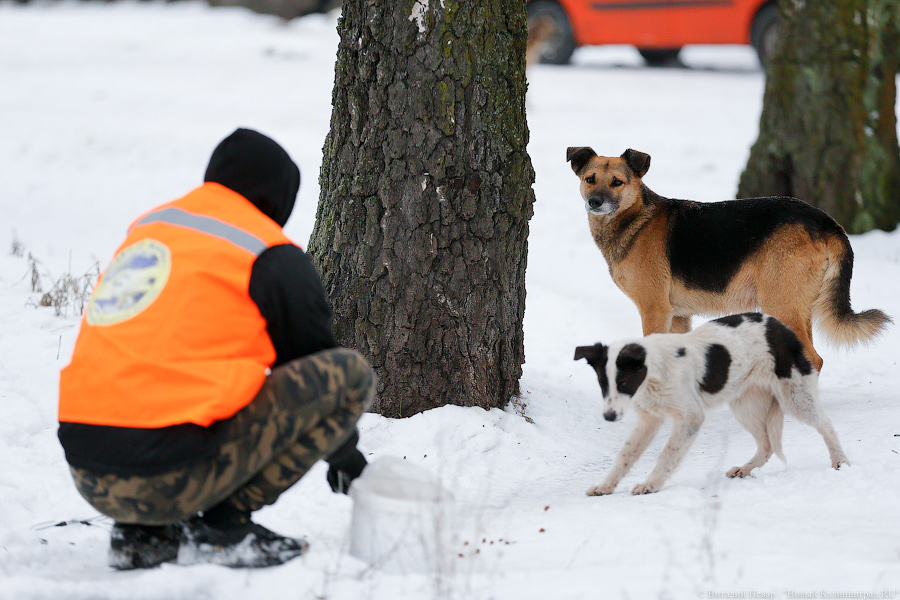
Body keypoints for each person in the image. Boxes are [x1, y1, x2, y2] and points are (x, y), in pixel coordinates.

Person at [57, 128, 375, 569]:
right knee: (349, 376)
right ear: (278, 198)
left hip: (88, 470)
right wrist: (347, 458)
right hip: (167, 477)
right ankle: (222, 528)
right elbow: (317, 372)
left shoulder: (150, 231)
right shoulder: (270, 253)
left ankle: (143, 534)